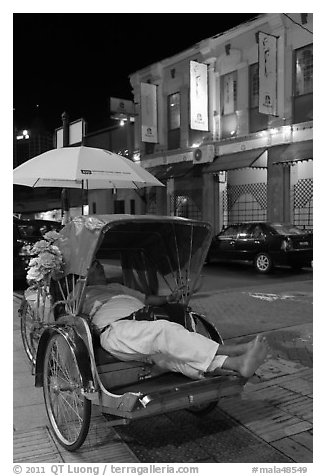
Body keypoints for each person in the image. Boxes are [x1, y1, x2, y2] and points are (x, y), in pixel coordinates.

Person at [84, 260, 269, 380]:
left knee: (175, 358)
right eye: (93, 264)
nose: (99, 265)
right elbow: (68, 319)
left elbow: (148, 299)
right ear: (83, 271)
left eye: (99, 262)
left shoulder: (117, 286)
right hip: (115, 329)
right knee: (163, 331)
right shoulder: (80, 294)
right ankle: (236, 350)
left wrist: (171, 298)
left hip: (143, 321)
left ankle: (235, 365)